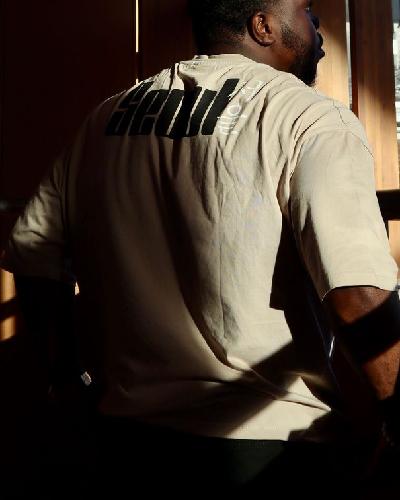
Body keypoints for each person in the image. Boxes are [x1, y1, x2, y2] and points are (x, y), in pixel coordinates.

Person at [2, 0, 400, 496]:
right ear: (262, 26)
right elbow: (358, 294)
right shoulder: (308, 117)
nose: (316, 23)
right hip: (266, 448)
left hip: (127, 445)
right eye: (304, 10)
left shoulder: (107, 116)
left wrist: (66, 379)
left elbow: (32, 253)